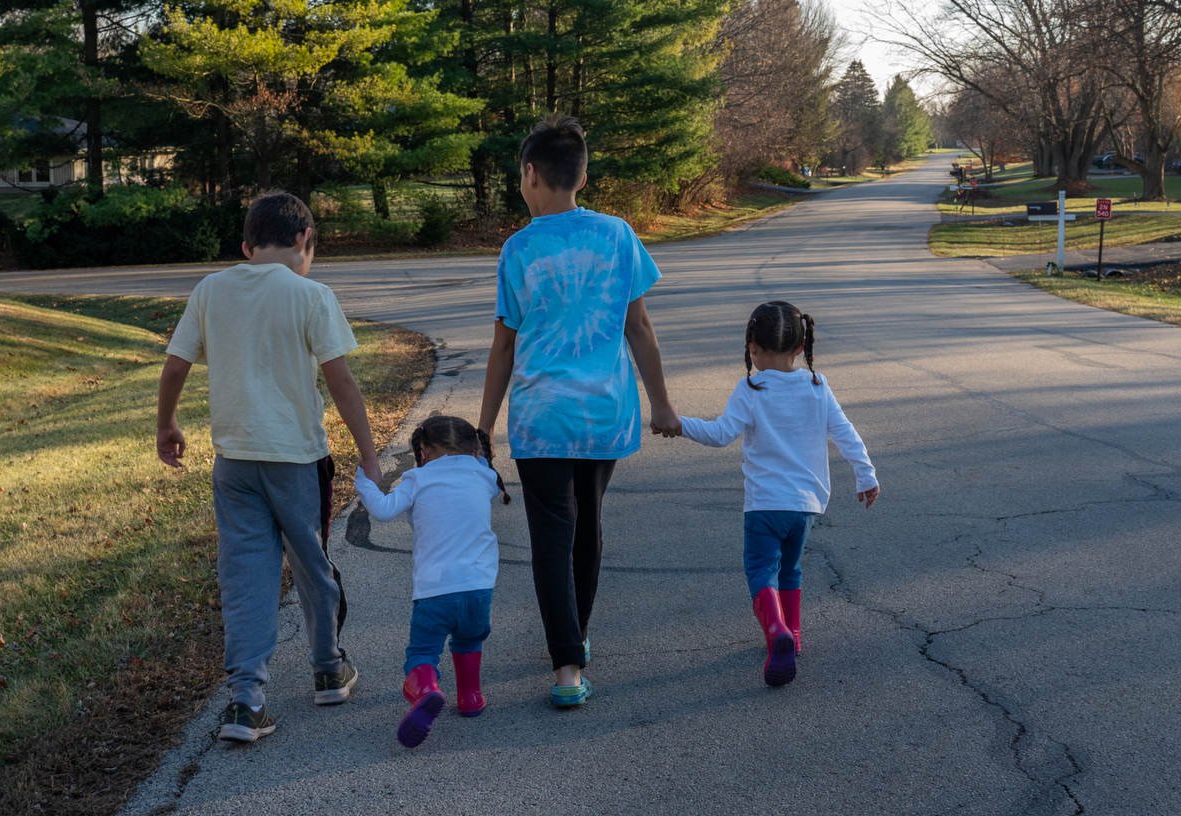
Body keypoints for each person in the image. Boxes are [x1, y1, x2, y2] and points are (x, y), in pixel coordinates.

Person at [155, 191, 384, 743]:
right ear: (306, 240)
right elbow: (341, 381)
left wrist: (167, 425)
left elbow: (176, 362)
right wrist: (371, 455)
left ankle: (245, 701)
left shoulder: (212, 289)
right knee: (311, 562)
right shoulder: (311, 294)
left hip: (234, 462)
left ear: (245, 246)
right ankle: (329, 667)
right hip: (297, 462)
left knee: (246, 576)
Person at [477, 115, 680, 708]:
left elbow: (504, 343)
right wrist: (661, 403)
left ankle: (566, 663)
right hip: (604, 412)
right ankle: (577, 638)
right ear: (583, 175)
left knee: (550, 536)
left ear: (530, 174)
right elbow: (638, 326)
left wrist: (484, 427)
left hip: (541, 417)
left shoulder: (517, 249)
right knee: (587, 527)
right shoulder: (618, 235)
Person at [662, 300, 880, 687]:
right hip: (804, 507)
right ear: (800, 347)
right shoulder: (817, 387)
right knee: (791, 570)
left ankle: (776, 629)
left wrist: (681, 425)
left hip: (763, 506)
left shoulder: (751, 389)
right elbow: (845, 432)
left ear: (752, 347)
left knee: (761, 571)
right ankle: (793, 635)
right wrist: (866, 475)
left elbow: (721, 434)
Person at [354, 414, 511, 748]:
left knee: (423, 652)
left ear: (423, 451)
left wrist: (364, 483)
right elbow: (488, 480)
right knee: (468, 641)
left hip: (434, 589)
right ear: (474, 449)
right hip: (479, 588)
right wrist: (479, 458)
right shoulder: (484, 476)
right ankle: (470, 697)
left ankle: (426, 689)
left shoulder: (417, 478)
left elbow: (383, 510)